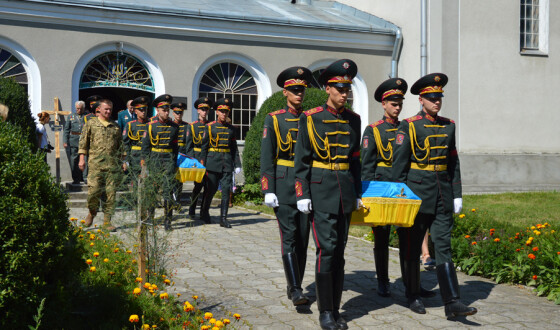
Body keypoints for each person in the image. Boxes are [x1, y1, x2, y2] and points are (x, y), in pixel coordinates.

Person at [392, 73, 477, 318]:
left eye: (439, 97)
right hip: (417, 194)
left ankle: (452, 302)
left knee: (444, 245)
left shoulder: (449, 125)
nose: (436, 101)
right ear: (421, 99)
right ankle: (413, 294)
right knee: (410, 246)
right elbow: (399, 167)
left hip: (442, 193)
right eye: (431, 97)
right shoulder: (408, 125)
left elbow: (453, 162)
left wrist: (457, 194)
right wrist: (400, 198)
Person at [294, 59, 361, 330]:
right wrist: (302, 193)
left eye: (348, 89)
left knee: (340, 251)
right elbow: (301, 161)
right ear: (328, 89)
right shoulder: (310, 117)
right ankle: (325, 312)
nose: (345, 94)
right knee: (327, 249)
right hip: (320, 190)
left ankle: (336, 308)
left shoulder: (354, 120)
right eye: (340, 89)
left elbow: (355, 159)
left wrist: (357, 191)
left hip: (344, 190)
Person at [361, 78, 438, 303]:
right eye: (393, 103)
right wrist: (366, 195)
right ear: (383, 104)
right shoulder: (373, 130)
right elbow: (367, 166)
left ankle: (410, 282)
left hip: (403, 190)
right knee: (382, 237)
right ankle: (383, 281)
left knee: (408, 239)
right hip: (381, 190)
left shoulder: (409, 127)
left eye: (400, 103)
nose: (397, 107)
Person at [261, 66, 313, 306]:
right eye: (294, 90)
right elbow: (266, 155)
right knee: (289, 236)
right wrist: (267, 188)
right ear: (285, 92)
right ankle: (295, 289)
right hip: (283, 183)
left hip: (308, 185)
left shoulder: (311, 118)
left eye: (301, 90)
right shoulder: (274, 119)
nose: (299, 94)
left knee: (304, 238)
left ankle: (296, 283)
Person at [78, 99, 124, 231]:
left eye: (110, 109)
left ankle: (107, 221)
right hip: (95, 165)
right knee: (93, 192)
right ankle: (91, 213)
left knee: (110, 194)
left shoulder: (115, 126)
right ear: (99, 110)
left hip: (112, 166)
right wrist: (82, 159)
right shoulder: (91, 124)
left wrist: (123, 162)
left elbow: (120, 146)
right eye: (106, 109)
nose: (108, 112)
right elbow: (83, 143)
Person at [199, 97, 241, 228]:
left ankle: (223, 218)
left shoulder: (231, 129)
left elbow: (234, 148)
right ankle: (204, 212)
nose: (224, 114)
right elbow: (204, 148)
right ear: (217, 112)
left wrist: (238, 164)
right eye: (222, 111)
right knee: (210, 190)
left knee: (226, 190)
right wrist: (202, 164)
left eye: (226, 112)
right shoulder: (209, 127)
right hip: (212, 163)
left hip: (227, 163)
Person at [140, 94, 179, 231]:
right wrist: (146, 165)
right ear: (157, 110)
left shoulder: (174, 126)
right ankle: (150, 217)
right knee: (152, 190)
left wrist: (174, 164)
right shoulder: (150, 126)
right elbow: (145, 148)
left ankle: (168, 220)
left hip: (168, 160)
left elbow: (175, 147)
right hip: (155, 159)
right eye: (163, 109)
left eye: (168, 109)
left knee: (168, 191)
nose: (166, 112)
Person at [185, 97, 213, 220]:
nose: (204, 112)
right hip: (197, 159)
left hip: (209, 158)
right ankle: (192, 210)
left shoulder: (212, 126)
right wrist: (193, 161)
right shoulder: (192, 126)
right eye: (202, 109)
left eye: (206, 109)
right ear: (197, 111)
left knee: (208, 187)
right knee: (198, 186)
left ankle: (204, 212)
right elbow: (189, 146)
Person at [123, 96, 150, 179]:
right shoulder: (130, 125)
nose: (143, 112)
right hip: (135, 157)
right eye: (141, 110)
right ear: (135, 111)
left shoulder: (151, 124)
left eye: (145, 109)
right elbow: (125, 144)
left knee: (148, 182)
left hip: (148, 156)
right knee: (135, 181)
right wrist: (125, 160)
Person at [171, 101, 188, 210]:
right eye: (177, 113)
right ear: (173, 113)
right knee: (171, 179)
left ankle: (178, 200)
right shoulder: (170, 125)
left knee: (180, 180)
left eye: (180, 113)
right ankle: (172, 201)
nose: (178, 115)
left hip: (182, 153)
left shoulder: (187, 126)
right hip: (172, 153)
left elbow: (189, 141)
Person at [64, 101, 86, 184]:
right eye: (77, 109)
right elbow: (66, 129)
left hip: (84, 140)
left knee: (85, 159)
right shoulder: (71, 116)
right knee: (74, 160)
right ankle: (75, 178)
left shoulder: (87, 117)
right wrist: (65, 141)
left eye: (81, 109)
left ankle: (85, 177)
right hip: (74, 140)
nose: (79, 110)